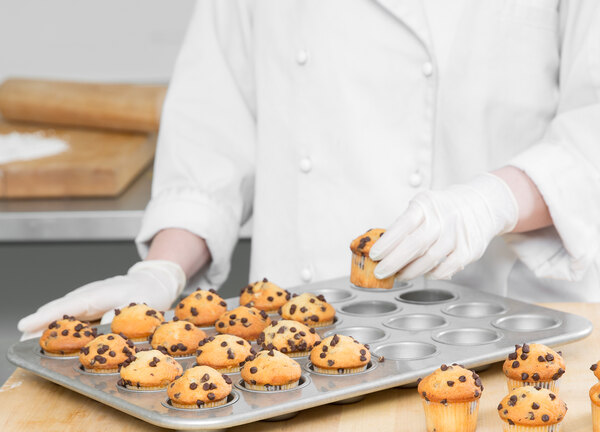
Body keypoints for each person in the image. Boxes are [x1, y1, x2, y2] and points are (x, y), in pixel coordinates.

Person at [18, 0, 600, 337]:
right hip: (290, 332)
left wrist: (490, 203)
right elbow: (213, 127)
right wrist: (159, 273)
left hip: (496, 324)